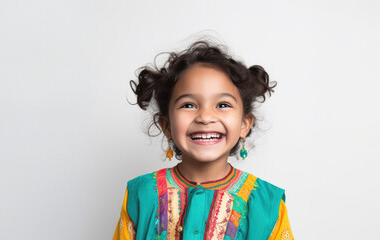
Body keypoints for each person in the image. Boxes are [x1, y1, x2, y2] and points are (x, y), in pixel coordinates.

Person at [113, 40, 294, 240]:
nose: (205, 117)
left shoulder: (267, 205)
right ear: (167, 126)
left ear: (244, 124)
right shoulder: (141, 195)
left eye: (223, 104)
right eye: (189, 105)